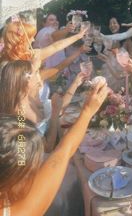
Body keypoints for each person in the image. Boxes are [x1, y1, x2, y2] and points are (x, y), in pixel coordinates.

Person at [0, 79, 108, 215]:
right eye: (34, 75)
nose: (40, 81)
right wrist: (84, 111)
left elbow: (22, 138)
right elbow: (57, 151)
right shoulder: (20, 113)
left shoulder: (20, 116)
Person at [0, 17, 87, 72]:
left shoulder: (31, 54)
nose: (33, 39)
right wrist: (34, 68)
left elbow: (56, 46)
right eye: (30, 37)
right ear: (20, 40)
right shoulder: (6, 65)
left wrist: (78, 36)